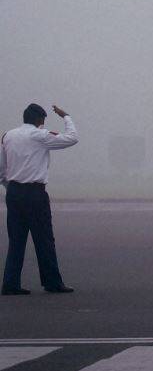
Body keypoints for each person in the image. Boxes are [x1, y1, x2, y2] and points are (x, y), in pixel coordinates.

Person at [1, 104, 79, 295]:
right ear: (39, 120)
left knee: (16, 240)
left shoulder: (8, 136)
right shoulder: (39, 135)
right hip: (35, 193)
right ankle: (52, 282)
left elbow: (2, 167)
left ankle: (10, 284)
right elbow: (71, 138)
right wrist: (66, 116)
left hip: (14, 193)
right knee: (44, 239)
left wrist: (8, 185)